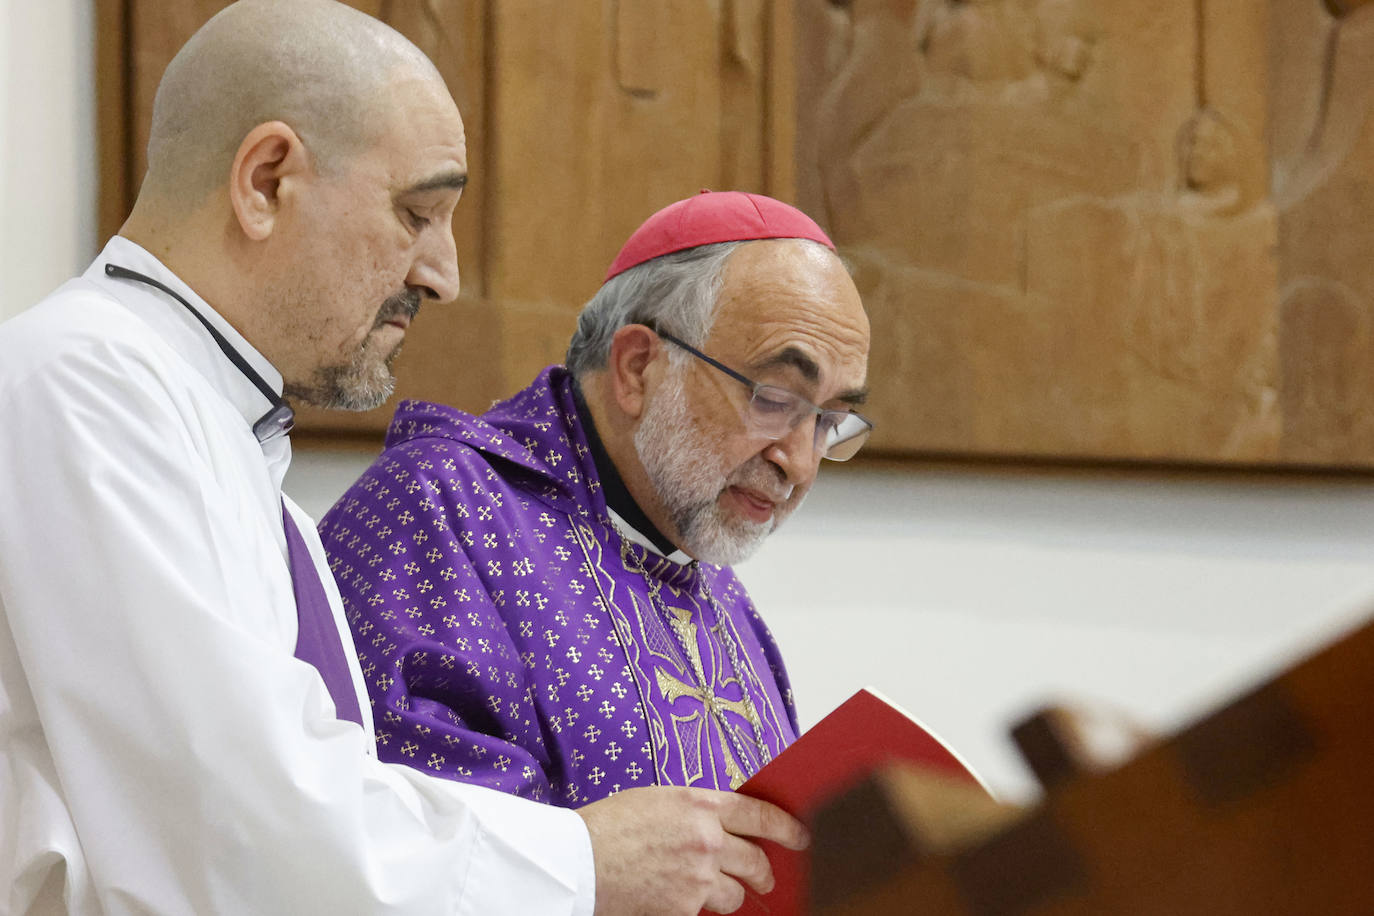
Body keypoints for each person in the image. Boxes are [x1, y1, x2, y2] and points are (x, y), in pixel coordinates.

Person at [0, 4, 804, 914]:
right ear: (266, 181)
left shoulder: (215, 437)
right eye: (418, 213)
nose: (443, 274)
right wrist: (583, 864)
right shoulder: (89, 385)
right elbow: (241, 828)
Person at [319, 191, 873, 807]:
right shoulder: (440, 512)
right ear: (638, 367)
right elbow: (400, 837)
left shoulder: (718, 594)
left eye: (830, 422)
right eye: (773, 399)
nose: (798, 463)